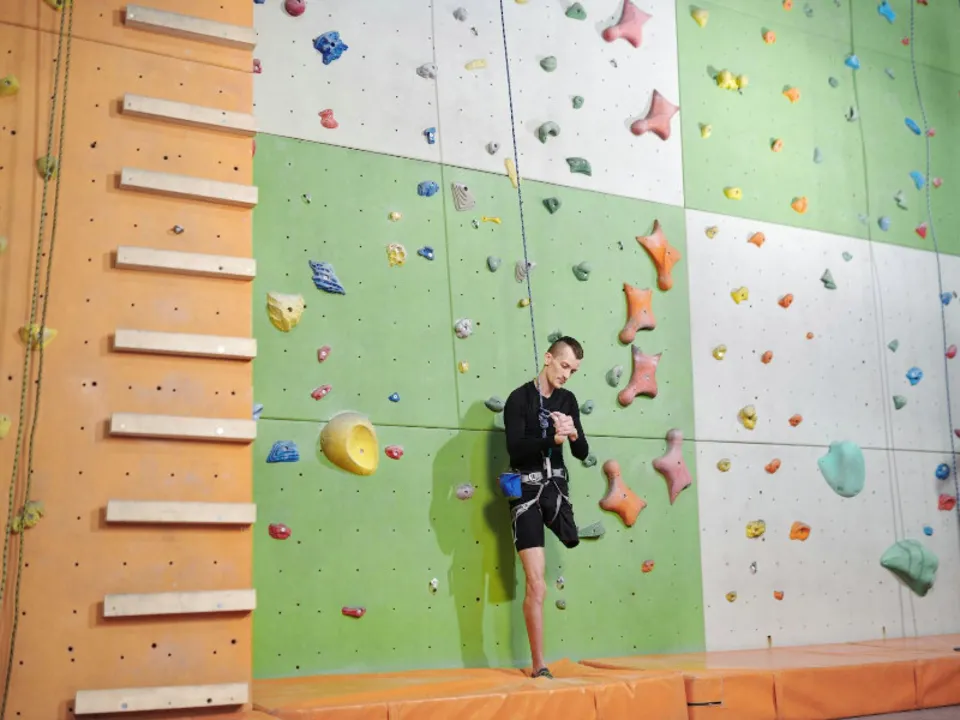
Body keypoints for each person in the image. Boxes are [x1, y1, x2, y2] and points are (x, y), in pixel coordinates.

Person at [502, 335, 590, 679]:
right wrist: (550, 439)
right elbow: (515, 448)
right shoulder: (519, 398)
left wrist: (572, 434)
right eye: (564, 366)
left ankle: (561, 522)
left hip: (555, 489)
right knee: (537, 584)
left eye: (573, 371)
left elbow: (582, 452)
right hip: (525, 491)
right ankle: (539, 664)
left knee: (570, 537)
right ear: (549, 358)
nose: (566, 374)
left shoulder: (568, 400)